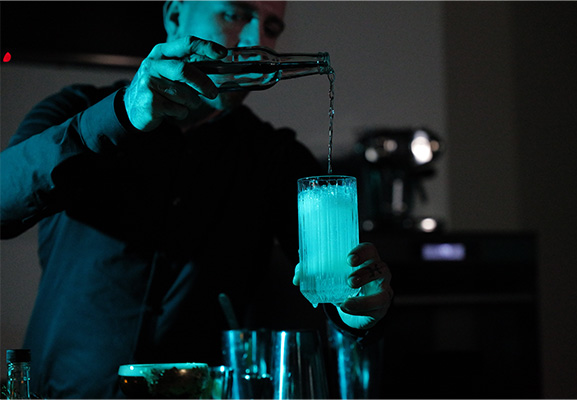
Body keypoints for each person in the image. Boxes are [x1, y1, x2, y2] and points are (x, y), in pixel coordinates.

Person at [0, 1, 393, 398]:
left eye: (271, 26)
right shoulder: (77, 109)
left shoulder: (275, 157)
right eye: (235, 14)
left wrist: (358, 307)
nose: (258, 40)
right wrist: (119, 115)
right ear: (175, 17)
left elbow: (337, 289)